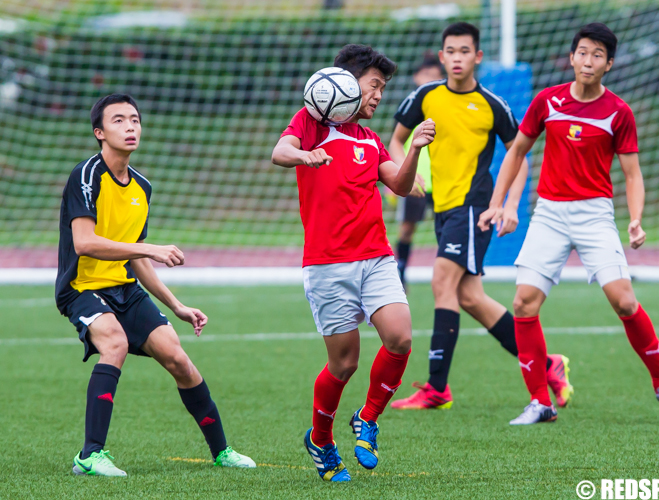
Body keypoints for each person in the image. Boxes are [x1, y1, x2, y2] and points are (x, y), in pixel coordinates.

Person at [478, 23, 659, 425]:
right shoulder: (547, 101)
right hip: (550, 213)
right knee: (524, 303)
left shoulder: (619, 112)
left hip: (594, 214)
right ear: (572, 56)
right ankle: (540, 401)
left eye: (597, 54)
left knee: (624, 300)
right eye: (582, 52)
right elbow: (516, 152)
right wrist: (500, 204)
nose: (588, 60)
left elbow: (632, 174)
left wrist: (636, 220)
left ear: (608, 64)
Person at [55, 94, 255, 476]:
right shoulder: (86, 175)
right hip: (81, 288)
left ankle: (222, 451)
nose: (130, 126)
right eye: (118, 120)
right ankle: (90, 456)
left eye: (134, 119)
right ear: (99, 132)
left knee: (179, 359)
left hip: (125, 289)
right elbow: (85, 242)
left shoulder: (142, 187)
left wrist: (176, 305)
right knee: (112, 342)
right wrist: (149, 247)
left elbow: (136, 259)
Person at [271, 45, 435, 482]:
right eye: (374, 85)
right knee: (344, 364)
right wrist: (306, 155)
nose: (379, 95)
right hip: (327, 265)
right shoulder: (311, 124)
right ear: (344, 83)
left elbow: (398, 185)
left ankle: (368, 418)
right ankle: (321, 440)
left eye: (383, 87)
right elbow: (280, 151)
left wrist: (415, 148)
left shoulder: (370, 139)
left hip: (376, 257)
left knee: (400, 338)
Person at [389, 22, 572, 411]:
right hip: (444, 208)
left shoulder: (492, 104)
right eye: (450, 51)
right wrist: (406, 171)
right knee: (470, 297)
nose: (457, 58)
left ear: (477, 57)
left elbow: (519, 155)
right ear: (442, 57)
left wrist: (508, 205)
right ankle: (548, 364)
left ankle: (437, 388)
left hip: (473, 207)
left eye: (464, 51)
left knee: (442, 281)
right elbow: (396, 138)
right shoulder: (424, 96)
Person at [394, 54, 443, 287]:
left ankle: (450, 275)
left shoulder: (446, 106)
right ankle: (400, 274)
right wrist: (398, 178)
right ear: (416, 78)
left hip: (443, 180)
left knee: (446, 230)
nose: (430, 80)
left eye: (435, 76)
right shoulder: (410, 109)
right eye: (426, 76)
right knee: (407, 229)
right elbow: (395, 143)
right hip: (417, 180)